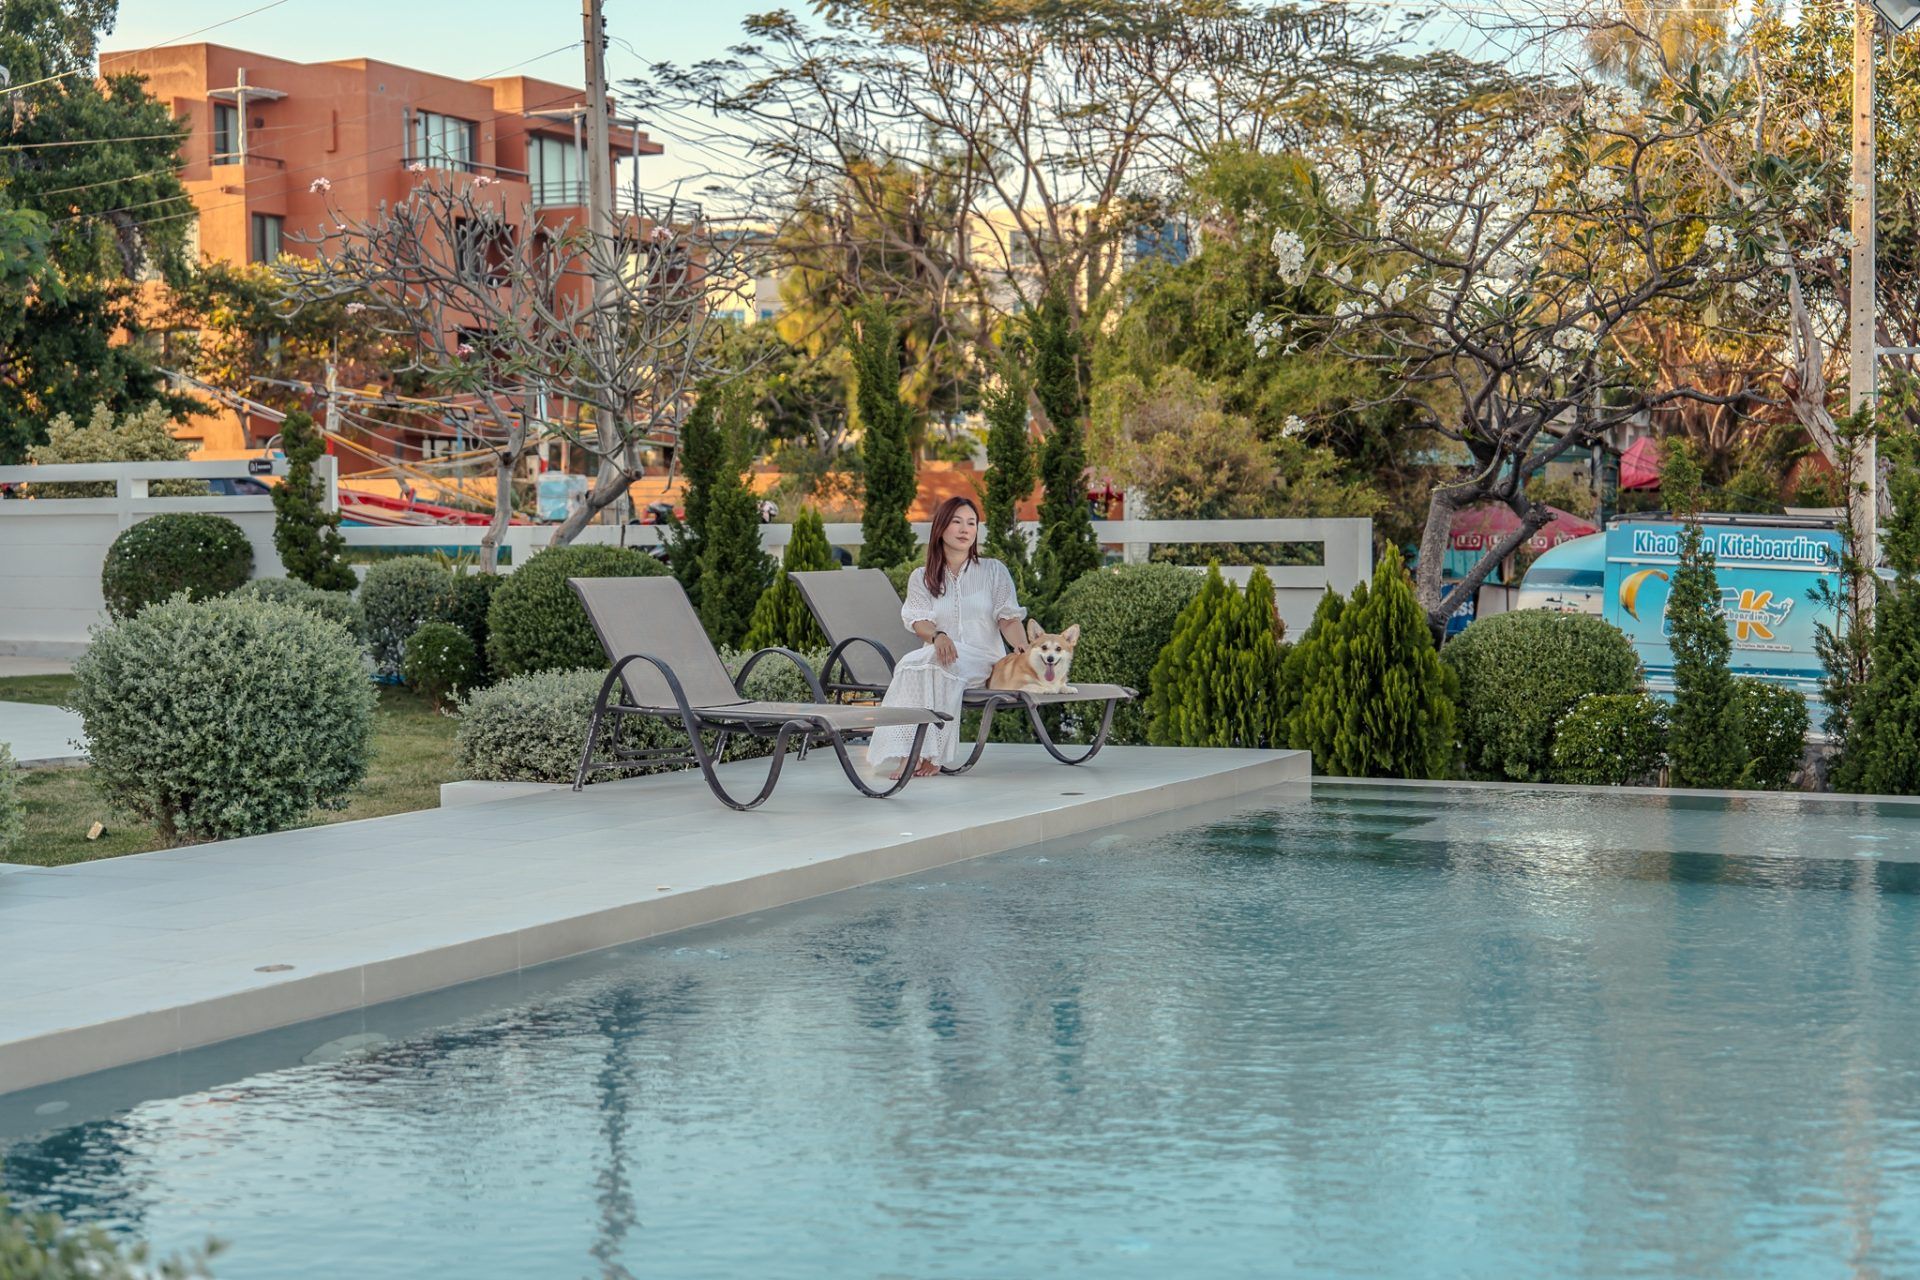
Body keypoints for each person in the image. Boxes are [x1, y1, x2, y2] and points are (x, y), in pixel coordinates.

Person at [865, 495, 1029, 779]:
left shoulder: (993, 571)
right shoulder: (922, 577)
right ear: (941, 528)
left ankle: (932, 753)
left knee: (934, 663)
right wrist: (938, 635)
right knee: (910, 663)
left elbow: (1008, 617)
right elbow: (919, 622)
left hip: (984, 661)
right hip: (940, 656)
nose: (966, 529)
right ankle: (909, 752)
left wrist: (1023, 647)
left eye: (972, 523)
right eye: (957, 522)